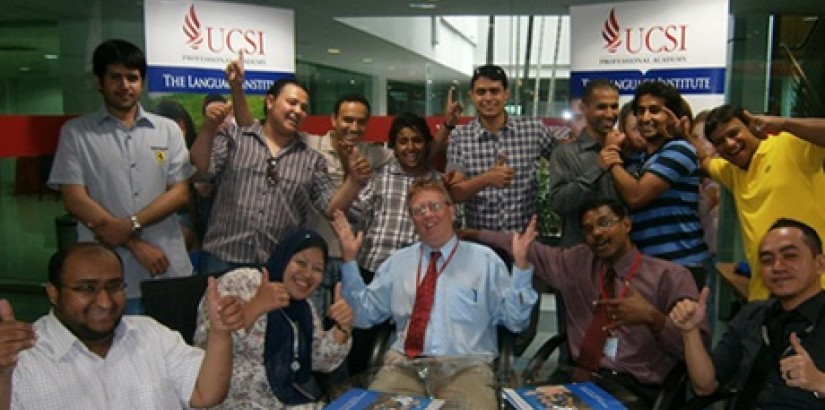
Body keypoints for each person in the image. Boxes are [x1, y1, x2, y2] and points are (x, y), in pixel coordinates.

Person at [467, 199, 704, 406]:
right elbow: (522, 246)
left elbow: (694, 352)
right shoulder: (577, 263)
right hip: (580, 381)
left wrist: (654, 319)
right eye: (588, 229)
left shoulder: (669, 276)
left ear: (626, 224)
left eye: (604, 223)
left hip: (636, 388)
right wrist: (466, 234)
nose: (597, 233)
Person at [330, 178, 537, 409]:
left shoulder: (485, 261)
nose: (428, 215)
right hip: (404, 366)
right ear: (412, 219)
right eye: (419, 210)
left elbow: (516, 322)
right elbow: (363, 316)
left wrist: (521, 269)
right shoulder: (397, 263)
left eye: (435, 207)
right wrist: (349, 260)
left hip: (466, 368)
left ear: (453, 211)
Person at [0, 242, 244, 409]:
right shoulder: (21, 354)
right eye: (87, 288)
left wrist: (220, 334)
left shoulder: (150, 334)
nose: (105, 302)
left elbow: (205, 394)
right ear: (54, 293)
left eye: (114, 286)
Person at [47, 39, 194, 314]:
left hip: (166, 268)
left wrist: (130, 224)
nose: (125, 86)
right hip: (102, 277)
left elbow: (180, 192)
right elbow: (74, 199)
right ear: (99, 81)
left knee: (172, 349)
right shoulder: (76, 133)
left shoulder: (168, 130)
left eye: (132, 78)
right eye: (116, 77)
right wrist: (133, 243)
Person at [190, 61, 371, 275]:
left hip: (277, 266)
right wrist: (208, 128)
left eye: (304, 108)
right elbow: (200, 171)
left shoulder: (311, 159)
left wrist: (354, 181)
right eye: (292, 103)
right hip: (222, 258)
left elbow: (331, 210)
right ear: (270, 102)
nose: (298, 111)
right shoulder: (235, 138)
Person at [670, 218, 825, 409]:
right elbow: (705, 386)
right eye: (767, 260)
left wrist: (820, 382)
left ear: (820, 264)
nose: (777, 266)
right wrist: (690, 331)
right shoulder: (753, 315)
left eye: (790, 256)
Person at [193, 229, 353, 409]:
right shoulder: (241, 281)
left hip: (285, 400)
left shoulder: (303, 307)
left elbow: (319, 359)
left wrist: (343, 327)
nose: (308, 274)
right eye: (300, 262)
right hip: (233, 400)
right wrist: (257, 306)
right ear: (283, 257)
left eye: (317, 269)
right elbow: (205, 344)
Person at [688, 105, 825, 300]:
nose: (729, 144)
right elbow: (703, 161)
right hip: (765, 297)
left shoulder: (789, 144)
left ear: (752, 127)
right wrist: (683, 133)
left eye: (734, 133)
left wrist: (784, 123)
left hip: (815, 290)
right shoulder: (731, 170)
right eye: (720, 142)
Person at [344, 113, 444, 375]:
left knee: (410, 353)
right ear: (393, 145)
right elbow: (354, 213)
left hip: (414, 280)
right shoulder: (378, 177)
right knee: (361, 348)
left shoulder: (439, 183)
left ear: (427, 143)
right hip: (373, 270)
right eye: (403, 141)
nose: (410, 148)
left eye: (417, 140)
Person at [600, 81, 710, 290]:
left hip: (681, 265)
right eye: (640, 111)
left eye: (655, 110)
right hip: (648, 266)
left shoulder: (679, 150)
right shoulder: (641, 159)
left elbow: (637, 197)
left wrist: (611, 159)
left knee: (678, 324)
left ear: (672, 115)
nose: (645, 118)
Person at [444, 64, 567, 232]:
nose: (488, 98)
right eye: (481, 92)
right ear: (471, 96)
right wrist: (487, 178)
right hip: (480, 242)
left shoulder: (533, 130)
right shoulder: (460, 137)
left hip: (523, 242)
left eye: (494, 91)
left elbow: (564, 158)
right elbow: (455, 193)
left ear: (506, 94)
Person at [548, 78, 622, 247]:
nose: (610, 114)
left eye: (614, 106)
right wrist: (597, 169)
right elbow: (559, 203)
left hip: (622, 255)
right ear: (584, 108)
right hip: (580, 254)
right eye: (601, 107)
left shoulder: (627, 149)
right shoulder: (564, 153)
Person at [152, 99, 202, 254]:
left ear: (182, 124)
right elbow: (161, 167)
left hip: (197, 216)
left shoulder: (197, 143)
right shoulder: (158, 150)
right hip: (170, 215)